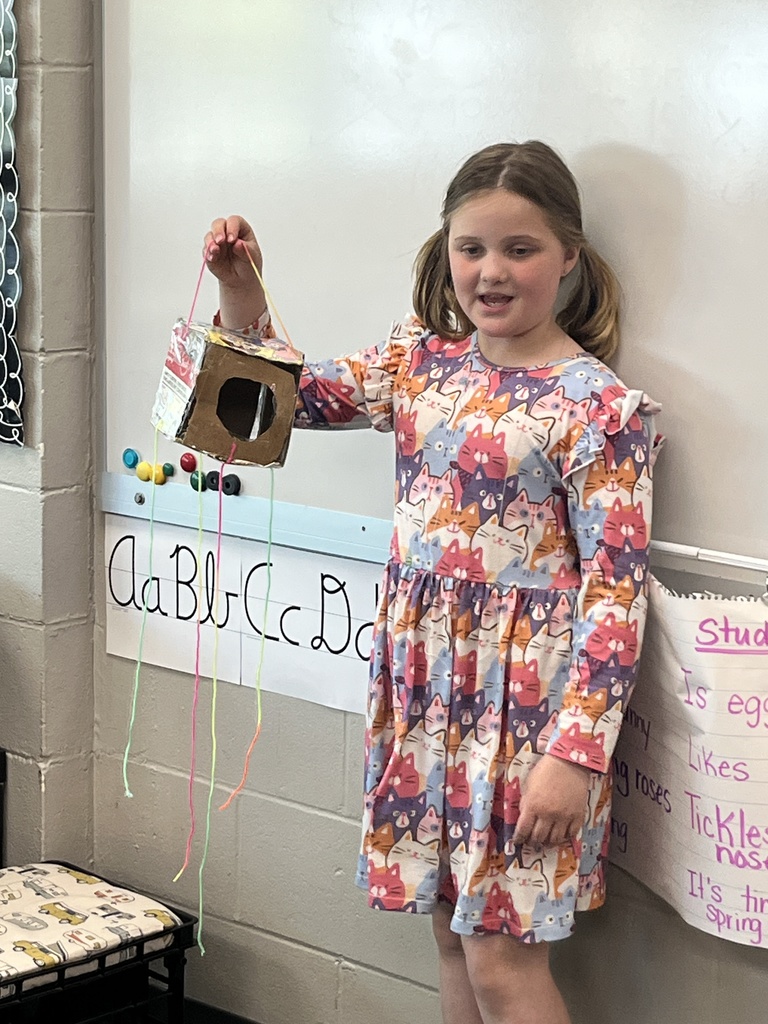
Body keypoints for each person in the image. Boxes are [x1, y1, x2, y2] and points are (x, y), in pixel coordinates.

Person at [204, 141, 663, 1024]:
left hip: (528, 717)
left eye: (520, 250)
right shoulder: (421, 363)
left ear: (569, 255)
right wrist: (242, 293)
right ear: (444, 250)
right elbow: (277, 401)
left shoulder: (597, 408)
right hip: (426, 696)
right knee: (452, 935)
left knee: (502, 962)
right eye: (472, 248)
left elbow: (615, 593)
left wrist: (575, 757)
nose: (491, 272)